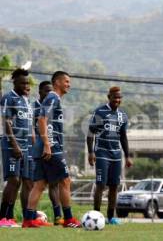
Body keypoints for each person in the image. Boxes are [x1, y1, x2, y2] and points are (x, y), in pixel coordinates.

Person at [22, 71, 81, 228]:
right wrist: (48, 144)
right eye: (66, 81)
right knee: (65, 180)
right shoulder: (53, 97)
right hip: (51, 146)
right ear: (57, 82)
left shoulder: (53, 98)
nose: (69, 84)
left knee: (39, 185)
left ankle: (28, 220)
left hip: (41, 147)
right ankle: (68, 219)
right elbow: (42, 120)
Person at [87, 86, 133, 225]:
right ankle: (96, 216)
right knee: (101, 185)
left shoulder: (123, 116)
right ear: (109, 97)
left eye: (119, 98)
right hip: (101, 153)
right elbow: (90, 134)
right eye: (115, 97)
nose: (117, 100)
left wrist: (127, 156)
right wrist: (90, 152)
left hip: (116, 155)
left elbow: (123, 137)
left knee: (114, 186)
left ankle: (111, 217)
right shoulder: (100, 112)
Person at [0, 68, 33, 227]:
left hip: (26, 147)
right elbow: (6, 123)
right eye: (23, 83)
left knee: (24, 182)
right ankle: (2, 217)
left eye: (28, 83)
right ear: (15, 83)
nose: (26, 86)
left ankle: (21, 218)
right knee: (13, 180)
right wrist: (14, 145)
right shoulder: (9, 98)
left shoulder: (26, 100)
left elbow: (27, 124)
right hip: (11, 145)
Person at [30, 81, 63, 225]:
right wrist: (41, 144)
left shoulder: (53, 103)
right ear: (40, 92)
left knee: (52, 183)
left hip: (52, 146)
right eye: (45, 91)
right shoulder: (34, 107)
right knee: (61, 181)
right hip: (42, 147)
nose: (48, 94)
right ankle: (30, 217)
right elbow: (32, 127)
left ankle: (57, 217)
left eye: (50, 91)